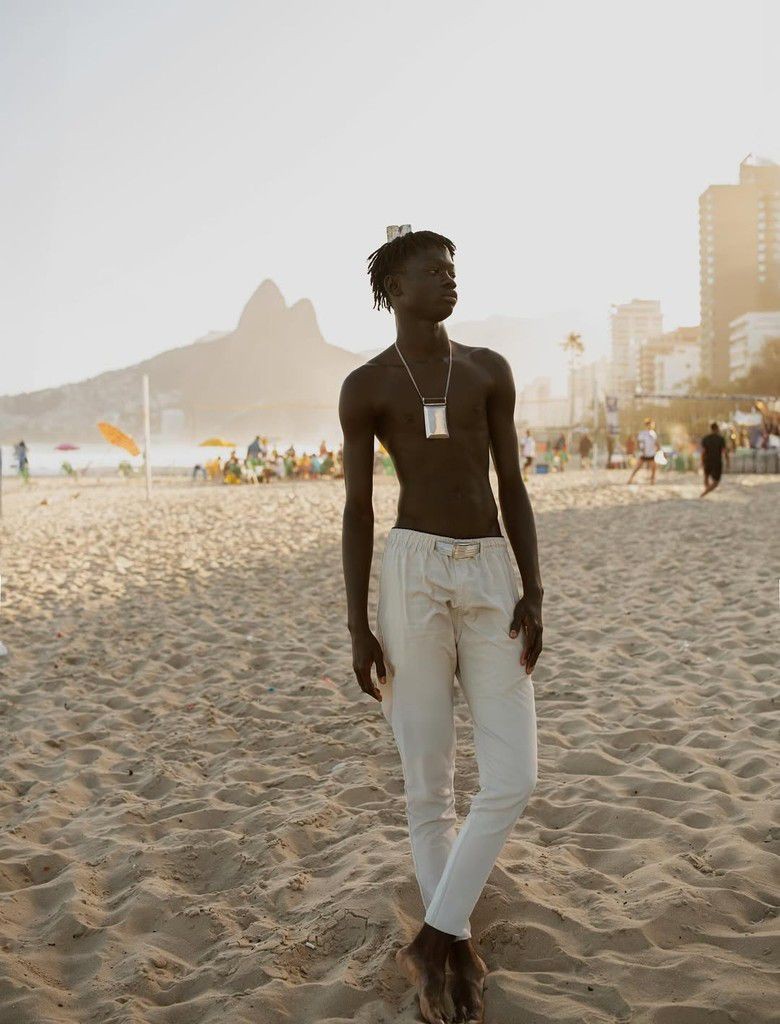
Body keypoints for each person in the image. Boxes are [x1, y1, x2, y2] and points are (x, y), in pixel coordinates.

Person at [339, 227, 542, 1024]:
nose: (449, 280)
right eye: (432, 270)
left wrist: (535, 590)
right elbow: (357, 508)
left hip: (491, 567)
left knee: (514, 775)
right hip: (410, 571)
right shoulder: (367, 387)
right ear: (394, 288)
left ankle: (431, 938)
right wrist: (358, 625)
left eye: (453, 268)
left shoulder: (489, 371)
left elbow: (514, 483)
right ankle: (452, 944)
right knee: (428, 785)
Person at [627, 418, 660, 484]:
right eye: (651, 424)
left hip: (651, 453)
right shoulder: (643, 433)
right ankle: (631, 479)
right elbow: (639, 442)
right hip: (644, 453)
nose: (652, 425)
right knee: (638, 467)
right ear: (647, 425)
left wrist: (658, 448)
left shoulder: (653, 433)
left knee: (654, 467)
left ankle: (652, 481)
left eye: (653, 424)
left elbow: (655, 443)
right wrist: (642, 449)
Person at [700, 421, 729, 497]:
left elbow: (703, 452)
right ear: (717, 429)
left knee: (706, 477)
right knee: (716, 482)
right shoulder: (721, 439)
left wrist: (702, 461)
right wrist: (727, 461)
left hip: (707, 461)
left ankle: (706, 491)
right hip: (716, 462)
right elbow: (725, 451)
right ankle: (705, 493)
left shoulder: (705, 438)